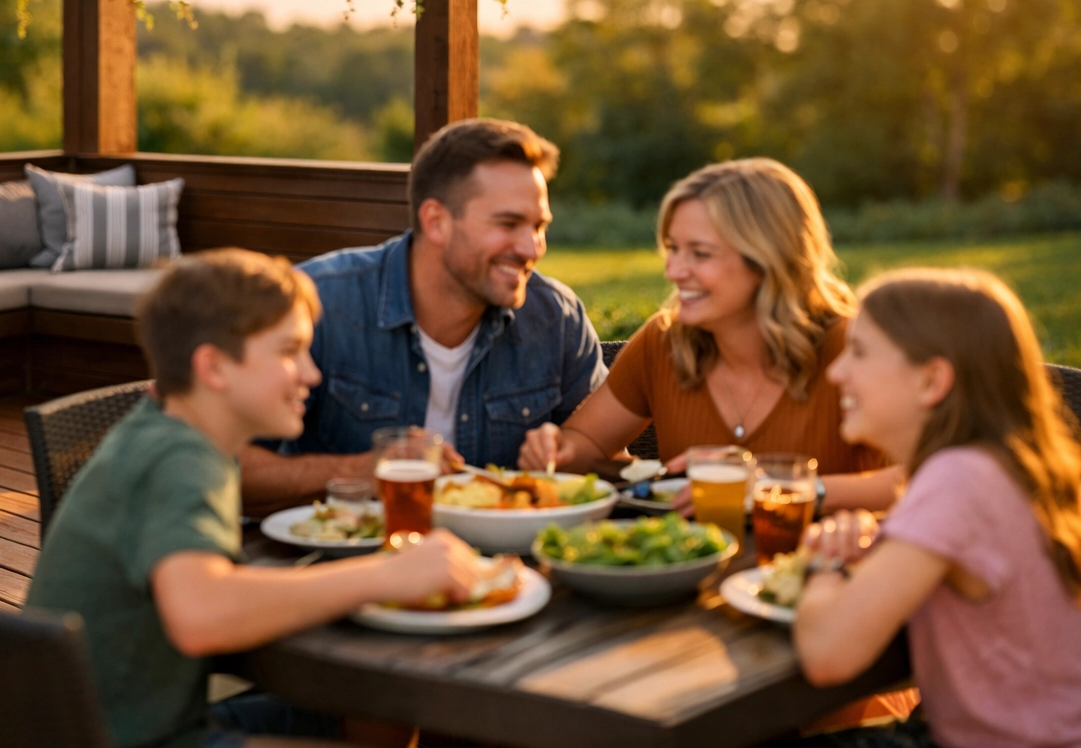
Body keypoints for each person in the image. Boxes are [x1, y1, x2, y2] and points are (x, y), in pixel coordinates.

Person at [24, 248, 491, 748]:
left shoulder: (172, 432)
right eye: (290, 352)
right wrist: (388, 575)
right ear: (215, 368)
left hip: (148, 720)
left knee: (383, 712)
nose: (311, 374)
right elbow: (201, 615)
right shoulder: (180, 459)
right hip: (125, 738)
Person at [240, 119, 605, 515]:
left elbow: (607, 461)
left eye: (539, 226)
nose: (531, 247)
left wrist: (564, 450)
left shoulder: (557, 318)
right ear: (436, 222)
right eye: (508, 224)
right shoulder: (319, 304)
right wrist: (363, 471)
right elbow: (224, 465)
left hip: (509, 569)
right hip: (341, 564)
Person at [786, 269, 1081, 748]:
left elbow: (827, 654)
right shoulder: (1007, 465)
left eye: (859, 353)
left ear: (932, 381)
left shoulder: (959, 479)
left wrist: (824, 564)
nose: (836, 372)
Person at [520, 158, 898, 512]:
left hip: (833, 574)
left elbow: (928, 481)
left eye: (699, 254)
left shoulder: (855, 346)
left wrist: (777, 489)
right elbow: (586, 443)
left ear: (766, 261)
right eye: (673, 249)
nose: (674, 271)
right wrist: (556, 451)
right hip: (690, 574)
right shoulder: (664, 342)